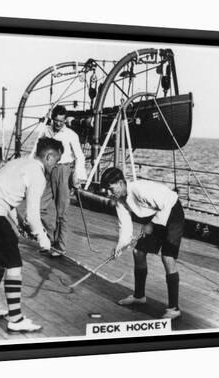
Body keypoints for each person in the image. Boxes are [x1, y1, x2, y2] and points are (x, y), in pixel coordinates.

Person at [0, 137, 63, 332]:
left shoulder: (19, 162)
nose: (56, 165)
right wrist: (42, 237)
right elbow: (34, 215)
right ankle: (16, 319)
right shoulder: (38, 174)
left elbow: (5, 196)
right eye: (56, 160)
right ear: (49, 156)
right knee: (14, 265)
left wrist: (18, 222)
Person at [100, 167, 184, 320]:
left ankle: (174, 308)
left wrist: (152, 225)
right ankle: (139, 296)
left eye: (110, 189)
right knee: (138, 252)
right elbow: (125, 227)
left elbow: (166, 202)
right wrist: (119, 248)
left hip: (172, 212)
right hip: (155, 216)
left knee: (167, 257)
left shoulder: (139, 189)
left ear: (120, 183)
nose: (109, 193)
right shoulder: (120, 200)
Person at [30, 105, 87, 257]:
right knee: (38, 207)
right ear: (52, 119)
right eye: (56, 121)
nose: (58, 124)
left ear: (65, 120)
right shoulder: (46, 131)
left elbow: (80, 156)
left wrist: (78, 176)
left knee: (61, 213)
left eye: (61, 121)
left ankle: (60, 246)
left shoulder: (71, 135)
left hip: (63, 171)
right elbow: (38, 151)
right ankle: (50, 238)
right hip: (48, 170)